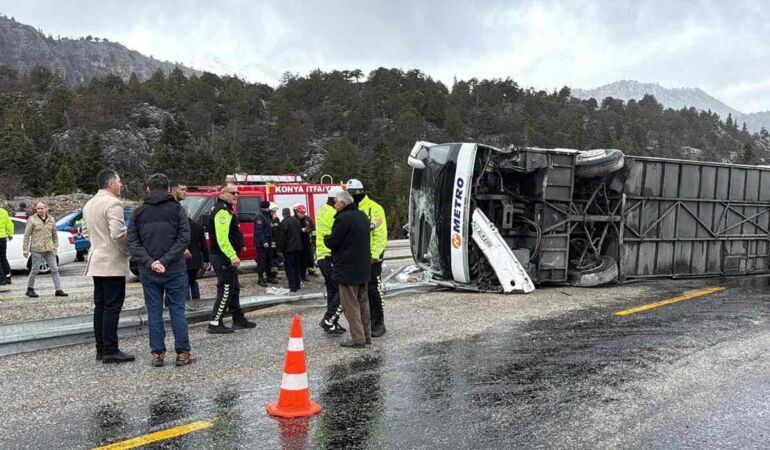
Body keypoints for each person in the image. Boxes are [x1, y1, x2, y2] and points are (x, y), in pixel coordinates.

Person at [128, 173, 193, 367]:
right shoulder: (177, 210)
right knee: (177, 311)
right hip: (174, 268)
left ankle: (157, 353)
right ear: (168, 189)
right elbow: (184, 237)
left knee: (154, 312)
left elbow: (132, 241)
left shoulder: (138, 213)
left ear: (148, 189)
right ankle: (182, 353)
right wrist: (166, 260)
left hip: (149, 271)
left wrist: (151, 262)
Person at [83, 169, 134, 363]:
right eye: (119, 181)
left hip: (96, 260)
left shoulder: (89, 204)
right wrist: (127, 251)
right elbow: (118, 234)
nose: (121, 185)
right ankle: (111, 349)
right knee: (113, 306)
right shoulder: (113, 203)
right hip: (111, 261)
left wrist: (97, 246)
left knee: (101, 306)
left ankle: (101, 348)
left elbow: (86, 232)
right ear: (111, 183)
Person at [324, 190, 371, 348]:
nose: (334, 204)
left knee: (350, 305)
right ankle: (366, 335)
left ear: (343, 203)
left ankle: (358, 339)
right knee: (363, 303)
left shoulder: (342, 219)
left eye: (336, 201)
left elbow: (333, 241)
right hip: (363, 267)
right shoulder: (362, 216)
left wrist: (325, 239)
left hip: (347, 269)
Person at [207, 181, 256, 333]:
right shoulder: (222, 211)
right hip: (223, 257)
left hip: (225, 256)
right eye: (232, 193)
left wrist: (240, 244)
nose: (236, 196)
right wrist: (232, 255)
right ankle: (215, 322)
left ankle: (238, 318)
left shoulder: (227, 210)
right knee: (226, 289)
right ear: (222, 193)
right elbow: (222, 238)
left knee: (234, 288)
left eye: (237, 193)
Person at [346, 179, 389, 337]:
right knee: (360, 291)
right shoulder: (351, 209)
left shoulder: (374, 208)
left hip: (372, 257)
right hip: (357, 256)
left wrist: (375, 254)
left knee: (373, 289)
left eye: (351, 194)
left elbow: (380, 235)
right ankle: (367, 322)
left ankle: (379, 323)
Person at [317, 187, 346, 335]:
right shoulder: (334, 213)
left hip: (322, 256)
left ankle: (333, 322)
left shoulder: (322, 209)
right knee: (342, 290)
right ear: (336, 199)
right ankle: (328, 320)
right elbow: (338, 236)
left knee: (332, 291)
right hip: (330, 257)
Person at [23, 202, 67, 298]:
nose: (40, 210)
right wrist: (25, 249)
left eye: (42, 208)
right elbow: (26, 236)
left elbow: (54, 234)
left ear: (46, 208)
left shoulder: (51, 219)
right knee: (35, 269)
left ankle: (58, 289)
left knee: (54, 269)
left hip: (49, 248)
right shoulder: (32, 220)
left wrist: (55, 246)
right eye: (38, 208)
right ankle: (30, 289)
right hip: (37, 249)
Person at [278, 204, 303, 292]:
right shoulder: (296, 221)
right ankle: (298, 283)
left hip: (289, 249)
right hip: (298, 248)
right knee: (297, 266)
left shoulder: (284, 222)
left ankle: (293, 286)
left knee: (290, 267)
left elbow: (282, 238)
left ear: (283, 214)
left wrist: (280, 249)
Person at [185, 214, 209, 301]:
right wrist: (206, 259)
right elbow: (204, 244)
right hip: (195, 259)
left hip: (183, 260)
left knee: (184, 283)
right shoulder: (197, 226)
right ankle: (196, 301)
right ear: (189, 214)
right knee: (193, 281)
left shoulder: (177, 226)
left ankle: (187, 303)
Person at [254, 200, 276, 287]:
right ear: (266, 207)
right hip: (262, 243)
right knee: (261, 261)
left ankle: (269, 276)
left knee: (268, 260)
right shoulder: (260, 217)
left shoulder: (267, 216)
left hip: (268, 241)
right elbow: (259, 231)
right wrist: (264, 242)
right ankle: (260, 278)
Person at [293, 203, 316, 280]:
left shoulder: (308, 219)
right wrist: (301, 230)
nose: (303, 214)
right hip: (297, 244)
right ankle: (298, 276)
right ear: (297, 212)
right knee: (297, 261)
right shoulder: (294, 220)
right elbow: (292, 231)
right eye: (301, 213)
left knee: (305, 260)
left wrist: (313, 238)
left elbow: (313, 228)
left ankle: (304, 275)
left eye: (304, 213)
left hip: (306, 243)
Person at [0, 205, 12, 285]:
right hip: (3, 238)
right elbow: (10, 224)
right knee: (3, 257)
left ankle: (1, 279)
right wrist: (10, 234)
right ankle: (8, 278)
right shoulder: (3, 212)